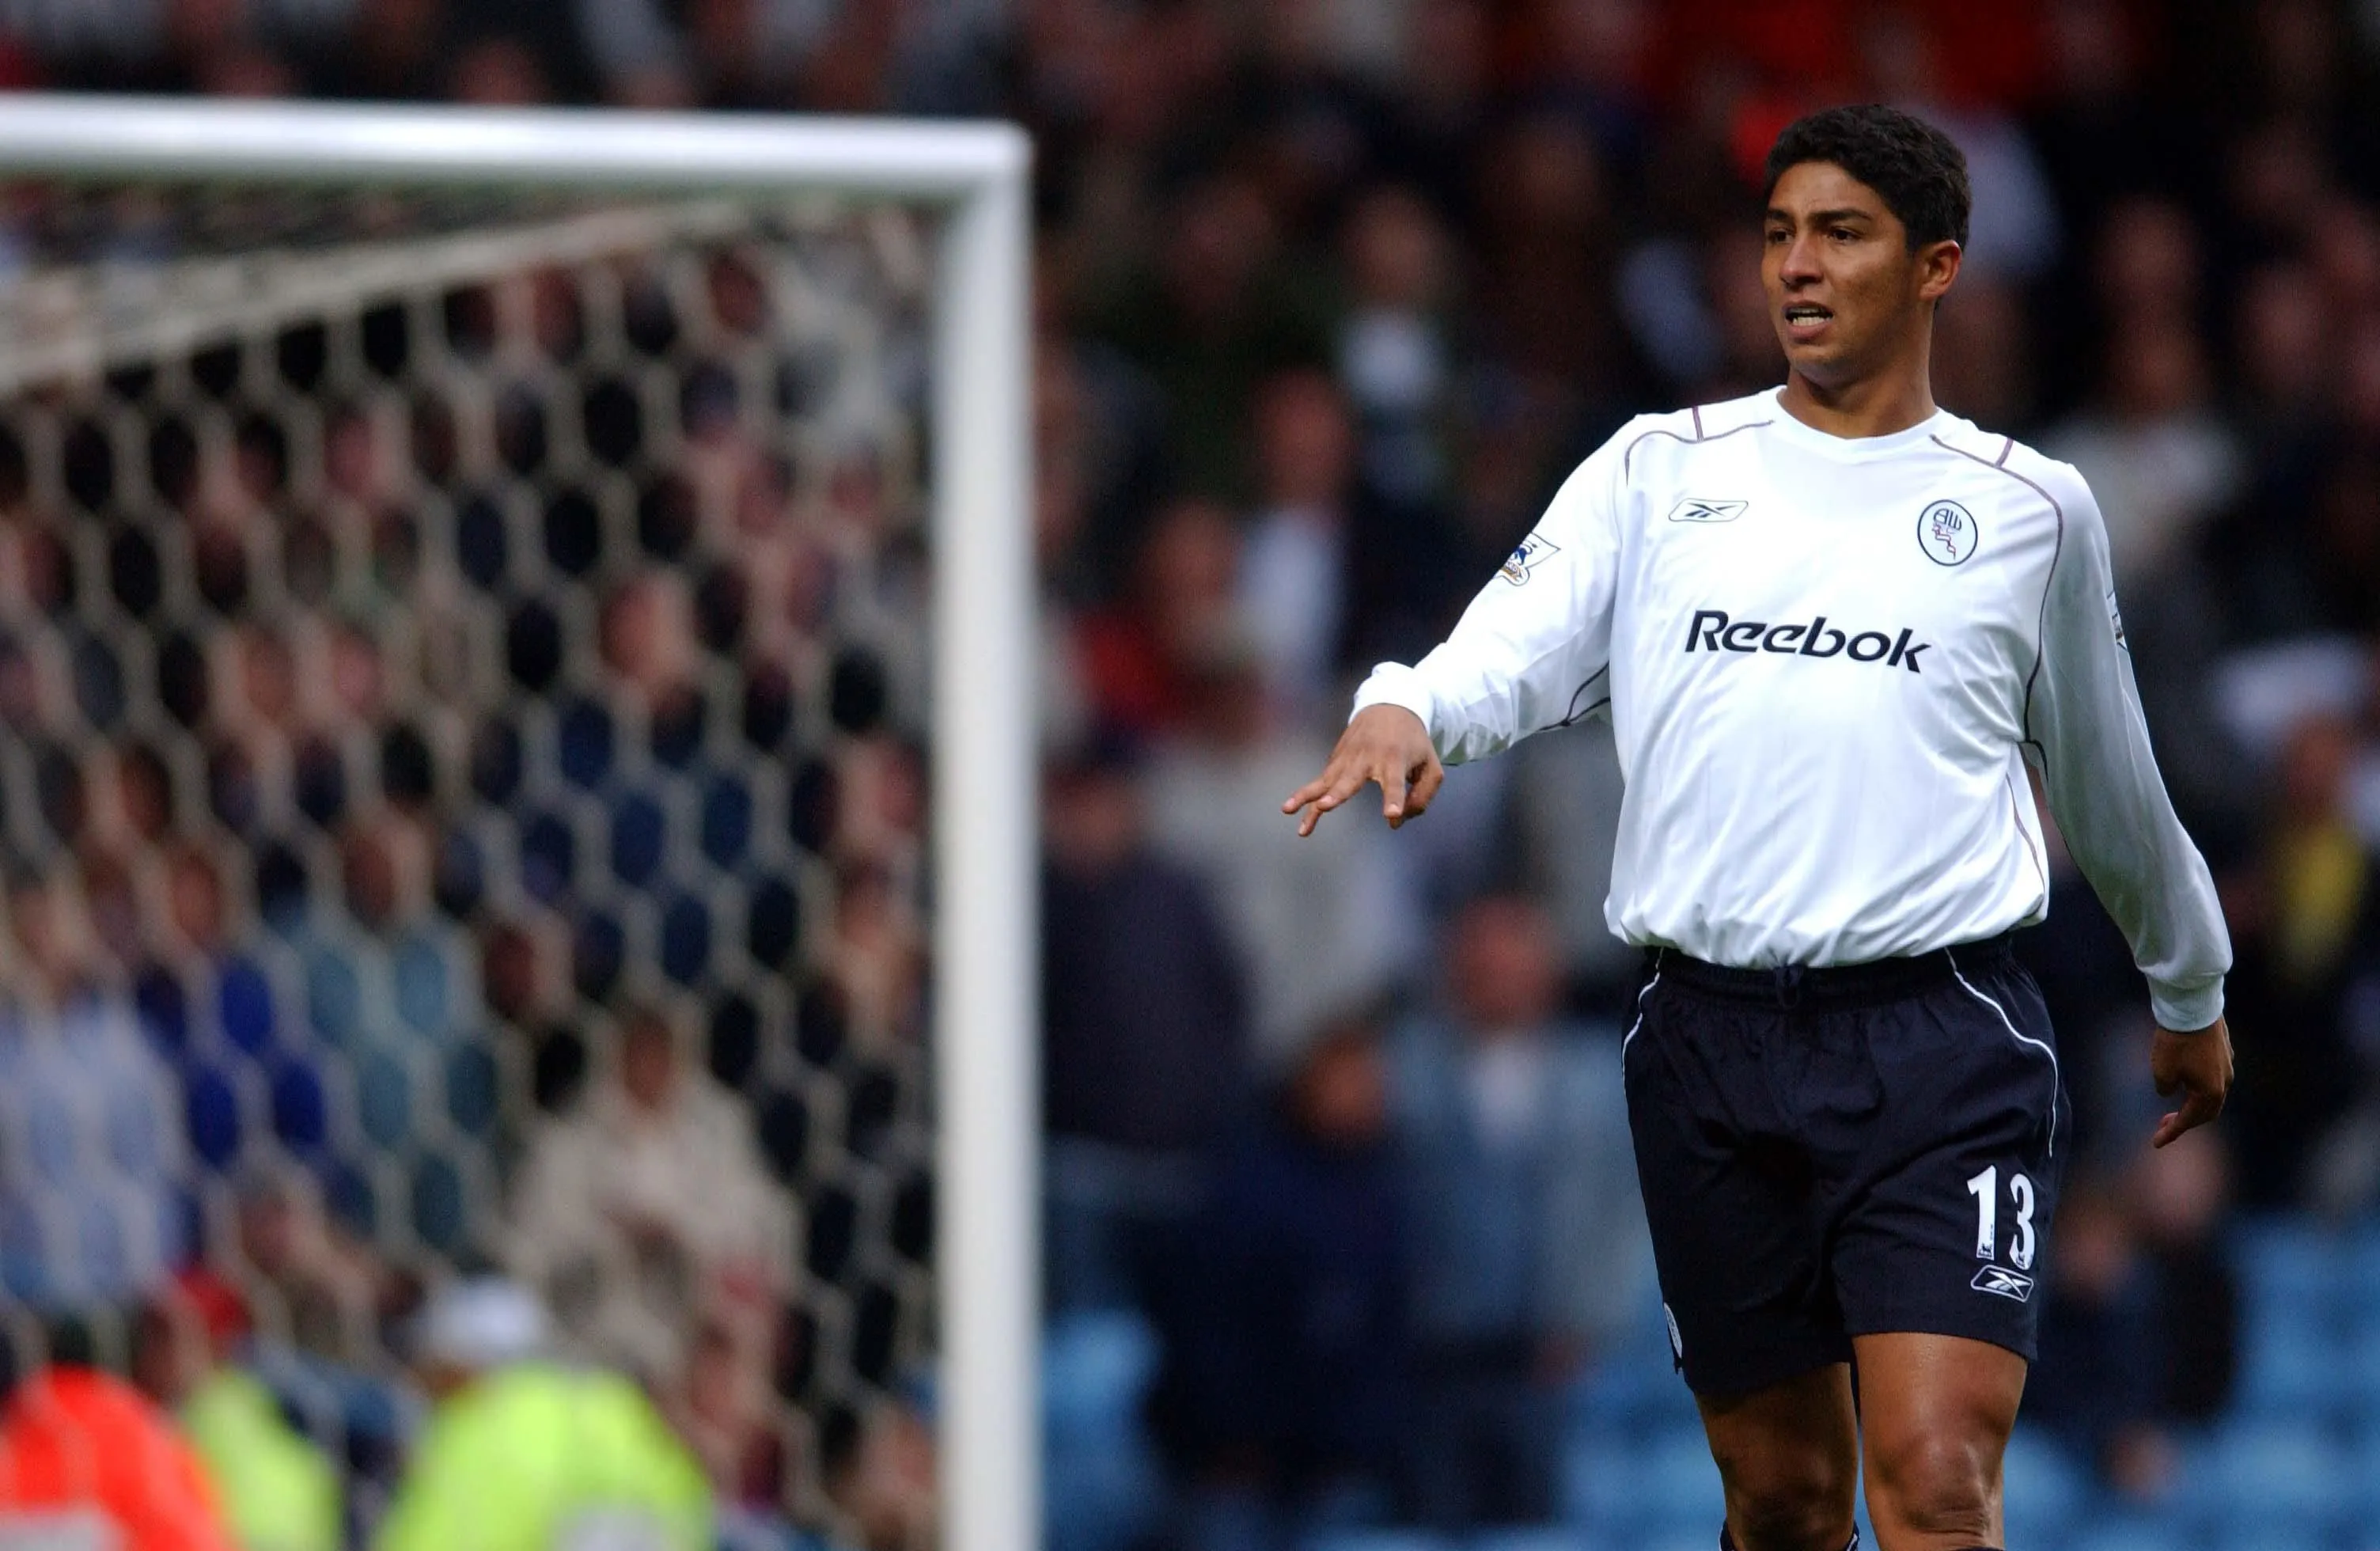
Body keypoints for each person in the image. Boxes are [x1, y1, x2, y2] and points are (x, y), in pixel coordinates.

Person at [1285, 104, 2235, 1551]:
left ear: (1934, 266)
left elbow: (2109, 782)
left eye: (1838, 233)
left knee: (1929, 1477)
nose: (1794, 265)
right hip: (1708, 1045)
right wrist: (1407, 705)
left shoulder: (2028, 511)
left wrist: (2187, 982)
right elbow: (1517, 634)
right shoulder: (1658, 471)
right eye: (1777, 232)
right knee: (1783, 1502)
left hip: (1941, 1039)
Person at [374, 1276, 712, 1551]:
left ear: (466, 1368)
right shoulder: (624, 1416)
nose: (422, 1389)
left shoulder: (479, 1433)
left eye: (437, 1372)